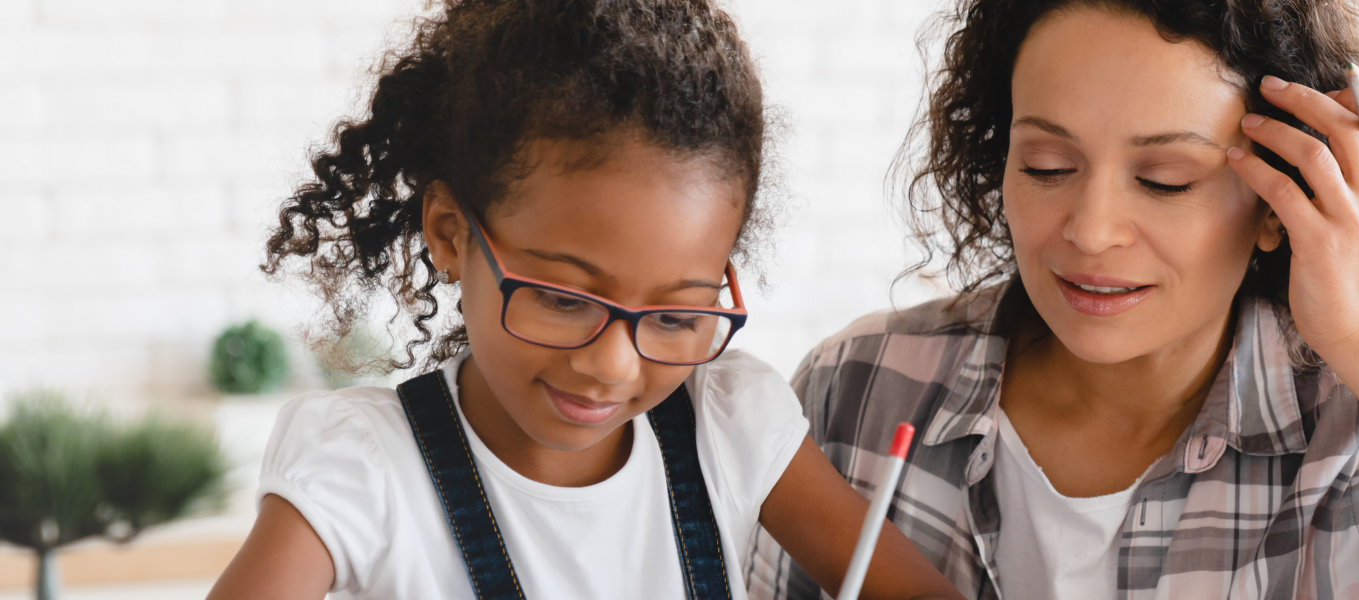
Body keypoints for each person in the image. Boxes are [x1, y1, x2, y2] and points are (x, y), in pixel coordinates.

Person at [747, 0, 1359, 598]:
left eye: (1163, 181)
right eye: (1046, 165)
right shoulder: (861, 389)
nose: (1089, 229)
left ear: (1274, 200)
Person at [208, 1, 962, 598]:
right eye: (564, 300)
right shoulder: (366, 471)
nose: (611, 365)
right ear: (449, 234)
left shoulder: (729, 423)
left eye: (673, 316)